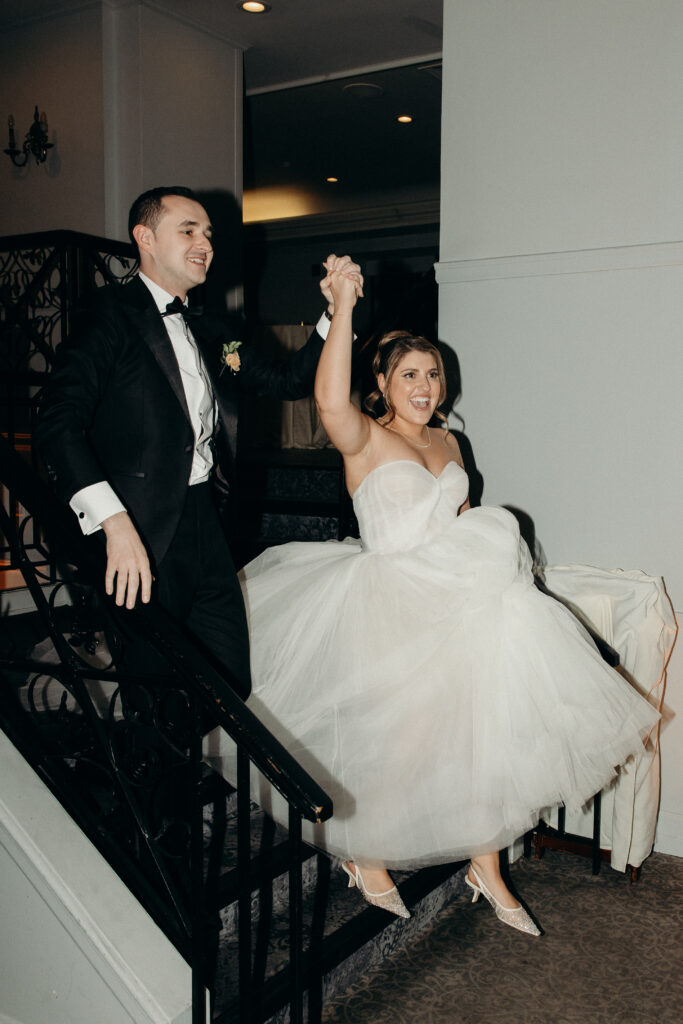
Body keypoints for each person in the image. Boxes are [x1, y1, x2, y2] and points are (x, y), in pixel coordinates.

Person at [203, 265, 659, 933]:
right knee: (403, 740)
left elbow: (463, 516)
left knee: (479, 737)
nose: (423, 385)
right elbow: (328, 403)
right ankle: (363, 850)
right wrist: (343, 309)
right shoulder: (364, 436)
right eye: (409, 374)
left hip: (457, 607)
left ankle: (486, 863)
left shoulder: (450, 442)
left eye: (432, 374)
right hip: (388, 601)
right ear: (381, 384)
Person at [36, 185, 362, 700]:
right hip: (138, 530)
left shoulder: (211, 328)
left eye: (208, 233)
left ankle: (188, 770)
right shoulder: (109, 314)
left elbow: (286, 381)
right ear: (144, 237)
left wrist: (333, 313)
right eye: (188, 230)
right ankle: (160, 777)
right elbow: (56, 422)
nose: (205, 242)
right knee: (152, 683)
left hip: (206, 521)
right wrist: (114, 524)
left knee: (228, 677)